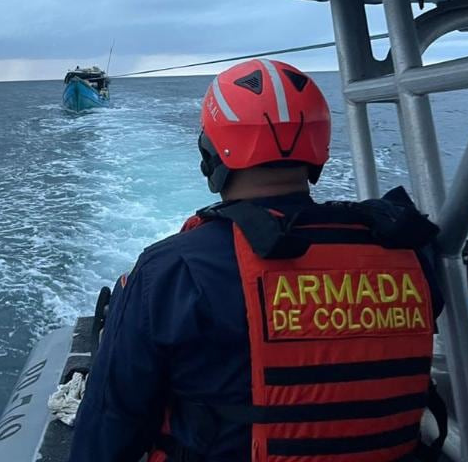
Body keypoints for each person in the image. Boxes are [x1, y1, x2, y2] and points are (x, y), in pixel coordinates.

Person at [69, 59, 444, 462]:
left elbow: (109, 426)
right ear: (318, 147)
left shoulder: (171, 272)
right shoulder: (407, 253)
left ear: (210, 153)